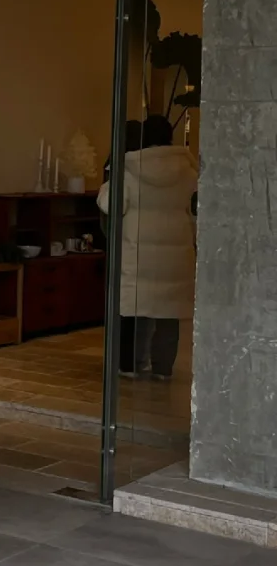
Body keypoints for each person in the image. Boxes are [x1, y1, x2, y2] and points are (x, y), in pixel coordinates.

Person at [98, 112, 198, 380]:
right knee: (170, 312)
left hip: (138, 252)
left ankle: (131, 365)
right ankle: (163, 369)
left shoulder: (130, 169)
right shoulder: (188, 172)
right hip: (176, 252)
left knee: (136, 308)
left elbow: (111, 205)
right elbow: (195, 210)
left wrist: (108, 180)